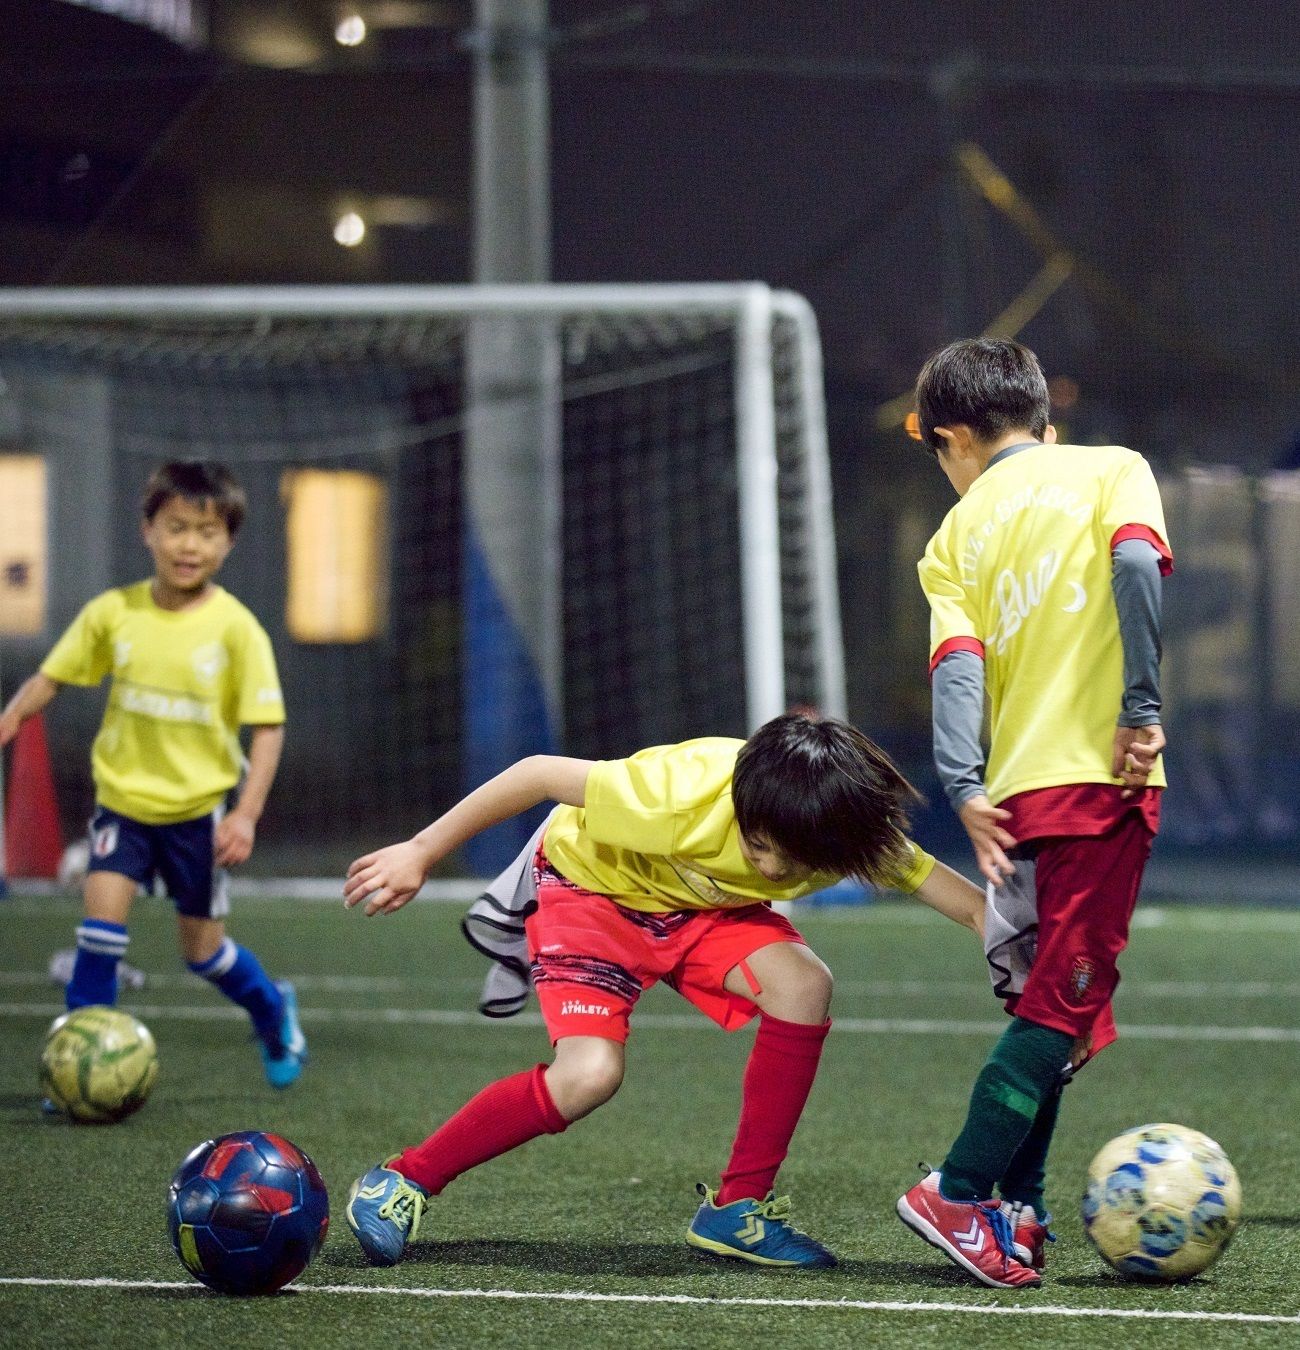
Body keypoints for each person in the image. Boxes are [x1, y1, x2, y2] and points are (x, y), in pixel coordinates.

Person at [341, 713, 986, 1269]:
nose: (773, 870)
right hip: (592, 894)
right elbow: (537, 772)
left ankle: (737, 1210)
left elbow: (968, 905)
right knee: (589, 1076)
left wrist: (1030, 965)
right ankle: (402, 1179)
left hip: (699, 913)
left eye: (794, 863)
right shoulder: (675, 795)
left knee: (803, 985)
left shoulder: (838, 830)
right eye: (760, 847)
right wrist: (421, 850)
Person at [895, 338, 1171, 1289]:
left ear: (959, 439)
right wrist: (1141, 706)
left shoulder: (956, 535)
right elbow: (1137, 567)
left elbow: (958, 668)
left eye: (937, 452)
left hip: (1014, 801)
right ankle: (960, 1191)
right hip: (1103, 783)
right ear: (1042, 420)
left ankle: (1021, 1210)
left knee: (1048, 1001)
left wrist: (964, 786)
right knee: (1065, 1001)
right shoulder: (1112, 468)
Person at [0, 460, 305, 1090]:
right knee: (99, 935)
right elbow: (49, 680)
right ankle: (75, 1073)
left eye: (206, 531)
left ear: (228, 543)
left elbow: (267, 728)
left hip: (199, 815)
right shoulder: (114, 613)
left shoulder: (237, 630)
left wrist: (245, 814)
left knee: (203, 955)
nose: (189, 545)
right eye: (175, 528)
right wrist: (9, 718)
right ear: (147, 530)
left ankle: (274, 1010)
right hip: (124, 807)